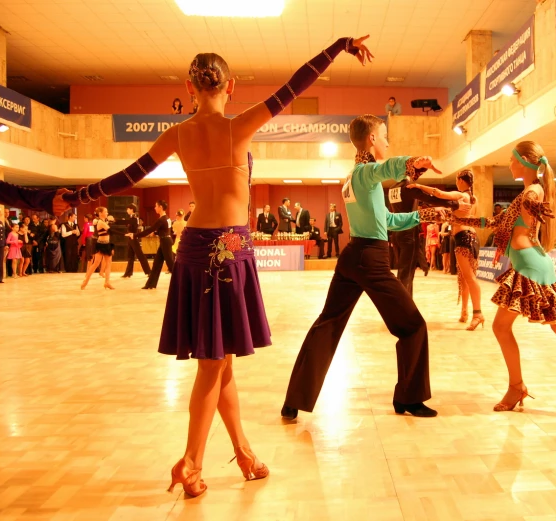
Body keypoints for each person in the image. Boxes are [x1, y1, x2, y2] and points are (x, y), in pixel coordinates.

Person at [56, 33, 373, 496]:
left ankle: (243, 451)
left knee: (220, 363)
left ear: (190, 86)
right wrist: (339, 45)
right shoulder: (237, 126)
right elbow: (293, 86)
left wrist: (77, 197)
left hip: (193, 249)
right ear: (231, 85)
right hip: (228, 252)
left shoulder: (177, 133)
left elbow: (126, 178)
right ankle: (191, 463)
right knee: (212, 363)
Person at [281, 114, 444, 422]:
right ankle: (409, 399)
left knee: (326, 325)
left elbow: (389, 221)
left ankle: (294, 400)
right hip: (371, 260)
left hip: (355, 257)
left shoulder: (354, 177)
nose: (386, 142)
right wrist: (414, 162)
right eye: (384, 136)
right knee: (412, 326)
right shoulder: (366, 172)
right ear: (371, 139)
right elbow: (387, 167)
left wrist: (427, 215)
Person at [451, 141, 556, 418]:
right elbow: (501, 223)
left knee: (509, 327)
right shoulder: (531, 190)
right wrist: (469, 221)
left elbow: (518, 214)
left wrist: (473, 220)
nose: (510, 163)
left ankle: (518, 387)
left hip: (529, 266)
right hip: (534, 262)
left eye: (513, 159)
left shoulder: (532, 191)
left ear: (525, 160)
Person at [409, 170, 484, 330]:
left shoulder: (461, 195)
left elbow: (439, 193)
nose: (456, 183)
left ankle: (477, 313)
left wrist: (419, 186)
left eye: (457, 180)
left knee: (469, 277)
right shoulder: (473, 199)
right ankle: (465, 312)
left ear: (461, 181)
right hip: (471, 237)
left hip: (464, 237)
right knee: (465, 278)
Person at [385, 167, 460, 294]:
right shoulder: (409, 187)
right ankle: (404, 305)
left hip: (396, 233)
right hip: (409, 232)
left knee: (403, 271)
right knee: (407, 274)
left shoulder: (393, 188)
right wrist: (456, 204)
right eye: (418, 172)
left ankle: (403, 302)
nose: (419, 175)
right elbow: (432, 199)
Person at [133, 200, 175, 290]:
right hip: (165, 241)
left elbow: (150, 229)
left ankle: (182, 283)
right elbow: (165, 230)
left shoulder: (162, 219)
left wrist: (135, 235)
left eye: (156, 206)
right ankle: (150, 284)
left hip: (165, 242)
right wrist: (156, 233)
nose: (155, 208)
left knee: (171, 264)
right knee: (156, 264)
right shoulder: (167, 218)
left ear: (160, 207)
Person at [81, 207, 114, 289]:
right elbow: (111, 231)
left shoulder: (103, 221)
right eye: (105, 212)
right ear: (100, 213)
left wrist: (111, 221)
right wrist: (125, 234)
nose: (107, 213)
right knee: (96, 263)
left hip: (107, 243)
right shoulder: (99, 222)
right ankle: (86, 281)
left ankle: (107, 282)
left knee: (108, 263)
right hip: (101, 244)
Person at [120, 204, 150, 278]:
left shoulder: (135, 217)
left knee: (140, 255)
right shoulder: (131, 217)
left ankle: (149, 271)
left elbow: (134, 227)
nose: (127, 211)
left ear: (131, 209)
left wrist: (126, 223)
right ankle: (128, 273)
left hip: (133, 238)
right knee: (130, 256)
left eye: (128, 209)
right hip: (130, 238)